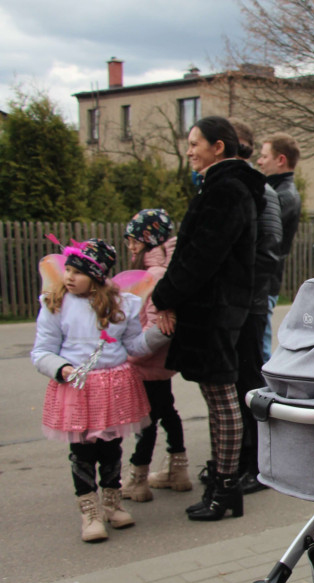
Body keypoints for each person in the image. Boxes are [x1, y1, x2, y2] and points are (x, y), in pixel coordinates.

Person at [152, 115, 264, 521]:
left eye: (195, 142)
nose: (189, 150)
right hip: (215, 309)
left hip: (216, 311)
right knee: (220, 399)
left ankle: (226, 488)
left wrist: (164, 294)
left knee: (223, 400)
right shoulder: (225, 187)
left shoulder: (227, 190)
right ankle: (222, 484)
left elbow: (201, 255)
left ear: (219, 147)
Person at [31, 238, 166, 542]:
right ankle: (89, 513)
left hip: (113, 389)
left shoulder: (122, 304)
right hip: (76, 388)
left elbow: (133, 345)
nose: (68, 277)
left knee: (111, 449)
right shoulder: (56, 304)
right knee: (81, 452)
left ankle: (112, 503)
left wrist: (160, 335)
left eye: (77, 272)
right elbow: (41, 352)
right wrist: (61, 368)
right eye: (67, 269)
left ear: (96, 275)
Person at [121, 210, 189, 501]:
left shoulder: (155, 275)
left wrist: (131, 353)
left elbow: (159, 327)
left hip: (147, 362)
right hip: (157, 365)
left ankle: (138, 478)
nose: (130, 247)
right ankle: (178, 469)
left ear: (147, 239)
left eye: (133, 240)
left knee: (145, 421)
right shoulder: (159, 272)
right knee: (167, 412)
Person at [232, 119, 283, 495]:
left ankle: (256, 461)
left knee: (250, 381)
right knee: (235, 384)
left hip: (248, 301)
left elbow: (269, 248)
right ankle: (237, 458)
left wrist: (250, 296)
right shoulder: (232, 187)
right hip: (236, 301)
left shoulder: (259, 190)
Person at [257, 132, 302, 361]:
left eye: (264, 156)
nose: (259, 161)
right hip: (267, 281)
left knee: (259, 350)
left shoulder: (283, 196)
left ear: (280, 160)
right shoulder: (275, 191)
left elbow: (265, 238)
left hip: (266, 281)